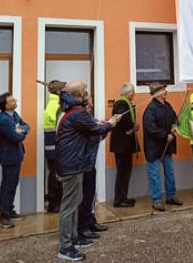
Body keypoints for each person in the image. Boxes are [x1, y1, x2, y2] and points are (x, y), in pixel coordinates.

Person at [56, 81, 119, 261]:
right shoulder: (77, 113)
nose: (87, 96)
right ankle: (65, 247)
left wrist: (104, 124)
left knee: (75, 203)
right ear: (78, 96)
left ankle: (74, 238)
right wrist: (111, 123)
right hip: (72, 165)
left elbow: (90, 128)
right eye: (85, 93)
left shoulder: (72, 111)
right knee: (69, 207)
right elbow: (95, 130)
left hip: (74, 164)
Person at [143, 82, 183, 212]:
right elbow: (150, 128)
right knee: (154, 175)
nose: (166, 91)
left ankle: (171, 196)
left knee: (170, 172)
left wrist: (176, 124)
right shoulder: (150, 109)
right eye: (163, 90)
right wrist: (165, 136)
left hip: (167, 147)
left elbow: (174, 118)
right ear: (156, 93)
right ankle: (157, 200)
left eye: (165, 89)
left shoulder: (168, 106)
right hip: (154, 148)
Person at [0, 92, 30, 229]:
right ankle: (4, 215)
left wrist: (20, 130)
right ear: (6, 105)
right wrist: (20, 132)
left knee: (13, 184)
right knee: (7, 185)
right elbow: (16, 138)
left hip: (16, 155)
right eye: (12, 100)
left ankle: (10, 210)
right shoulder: (3, 120)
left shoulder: (13, 115)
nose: (15, 101)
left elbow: (26, 126)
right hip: (8, 156)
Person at [77, 98, 111, 240]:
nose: (92, 100)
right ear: (86, 103)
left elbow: (98, 131)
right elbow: (93, 136)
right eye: (90, 99)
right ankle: (83, 227)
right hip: (84, 163)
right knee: (85, 197)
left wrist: (106, 125)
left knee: (91, 196)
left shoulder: (89, 117)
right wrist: (108, 127)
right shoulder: (82, 117)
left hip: (90, 163)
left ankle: (91, 222)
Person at [110, 84, 140, 208]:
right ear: (127, 93)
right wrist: (133, 126)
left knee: (125, 172)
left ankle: (123, 197)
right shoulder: (122, 104)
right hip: (122, 145)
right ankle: (119, 200)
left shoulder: (122, 102)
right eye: (132, 92)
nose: (134, 94)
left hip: (123, 145)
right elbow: (122, 119)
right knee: (123, 172)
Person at [44, 80, 66, 213]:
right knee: (55, 175)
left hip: (52, 145)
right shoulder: (56, 105)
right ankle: (54, 202)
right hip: (55, 145)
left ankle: (55, 201)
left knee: (55, 173)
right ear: (59, 91)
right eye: (64, 89)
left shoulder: (54, 103)